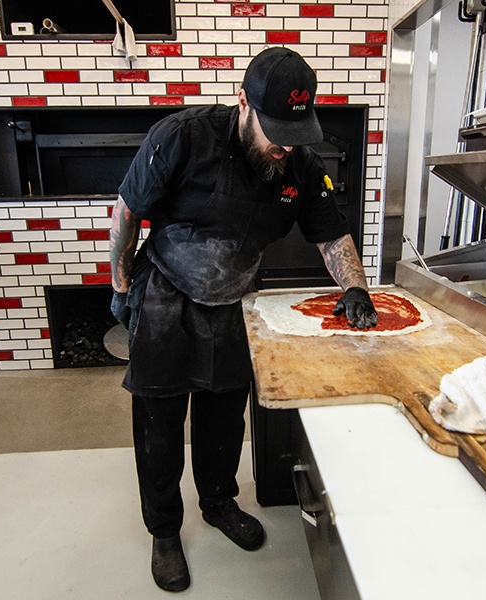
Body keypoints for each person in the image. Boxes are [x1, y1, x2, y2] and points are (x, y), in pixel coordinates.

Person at [108, 47, 378, 593]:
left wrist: (355, 287)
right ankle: (164, 530)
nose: (284, 143)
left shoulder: (300, 161)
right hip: (164, 290)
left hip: (233, 297)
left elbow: (329, 233)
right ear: (242, 103)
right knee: (159, 425)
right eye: (274, 128)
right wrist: (118, 286)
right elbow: (128, 212)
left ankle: (218, 503)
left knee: (225, 416)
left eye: (295, 130)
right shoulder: (181, 135)